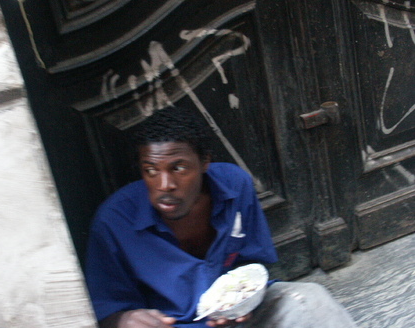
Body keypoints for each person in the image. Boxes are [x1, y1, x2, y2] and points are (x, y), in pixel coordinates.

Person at [85, 106, 357, 328]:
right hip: (177, 325)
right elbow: (106, 308)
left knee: (309, 300)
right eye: (151, 170)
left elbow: (252, 266)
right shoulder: (114, 221)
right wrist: (123, 319)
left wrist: (242, 304)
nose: (164, 184)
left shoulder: (234, 186)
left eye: (178, 168)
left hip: (239, 317)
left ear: (205, 162)